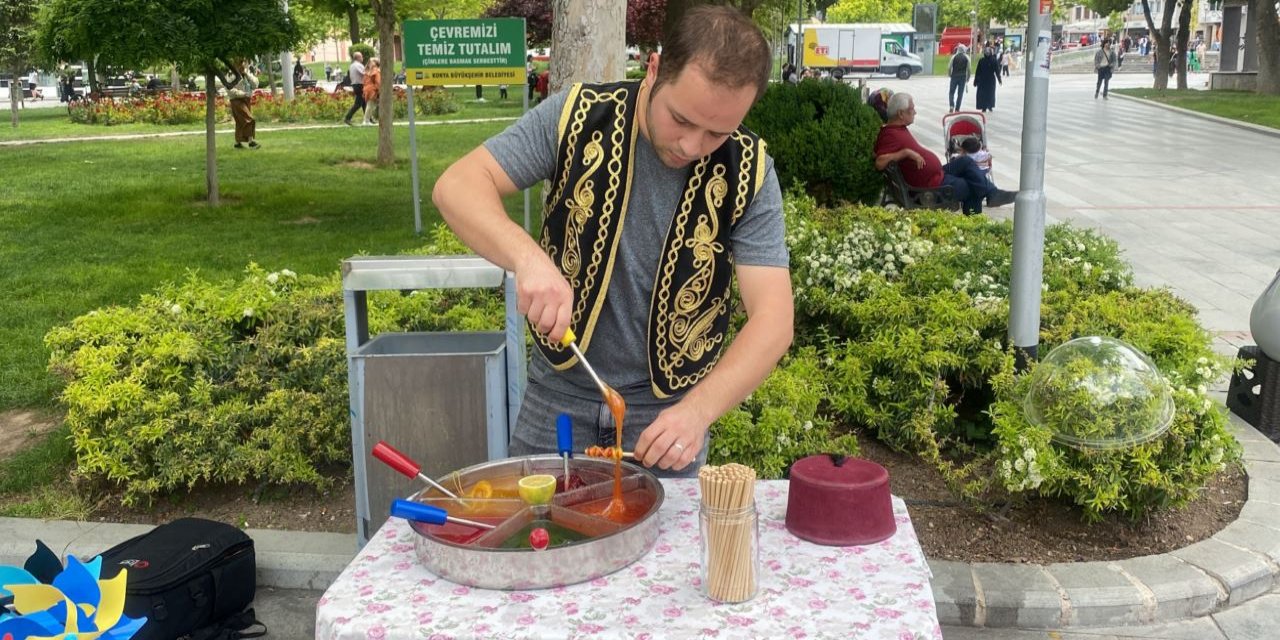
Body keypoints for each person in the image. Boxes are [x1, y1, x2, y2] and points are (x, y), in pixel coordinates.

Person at [431, 5, 793, 476]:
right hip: (557, 395)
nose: (690, 145)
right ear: (655, 69)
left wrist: (698, 412)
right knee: (536, 541)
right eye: (681, 119)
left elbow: (774, 320)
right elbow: (457, 185)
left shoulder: (750, 170)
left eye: (716, 131)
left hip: (670, 414)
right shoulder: (577, 117)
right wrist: (529, 259)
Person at [874, 92, 1016, 215]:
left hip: (936, 175)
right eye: (912, 109)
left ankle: (992, 193)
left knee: (966, 161)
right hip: (930, 187)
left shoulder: (897, 129)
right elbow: (880, 163)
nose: (915, 112)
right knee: (972, 187)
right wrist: (905, 152)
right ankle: (977, 221)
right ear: (901, 113)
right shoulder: (891, 134)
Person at [225, 60, 259, 149]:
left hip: (246, 99)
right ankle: (251, 142)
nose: (243, 65)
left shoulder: (247, 73)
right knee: (249, 119)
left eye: (244, 63)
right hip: (236, 100)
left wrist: (247, 75)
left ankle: (238, 143)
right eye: (240, 63)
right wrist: (242, 93)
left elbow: (255, 85)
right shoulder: (231, 75)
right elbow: (229, 89)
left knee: (240, 122)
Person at [973, 47, 1001, 112]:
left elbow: (978, 72)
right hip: (990, 80)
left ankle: (984, 106)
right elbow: (997, 71)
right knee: (990, 93)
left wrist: (976, 81)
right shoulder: (994, 60)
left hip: (983, 80)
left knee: (984, 94)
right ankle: (989, 106)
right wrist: (999, 80)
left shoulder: (982, 60)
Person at [343, 51, 366, 126]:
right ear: (358, 57)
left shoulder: (352, 65)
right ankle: (347, 118)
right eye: (361, 56)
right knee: (358, 103)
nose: (362, 58)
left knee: (364, 102)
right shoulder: (358, 65)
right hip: (359, 85)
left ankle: (368, 118)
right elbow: (364, 73)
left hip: (356, 85)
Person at [947, 45, 970, 112]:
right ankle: (957, 108)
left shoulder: (954, 57)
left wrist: (950, 74)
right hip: (962, 77)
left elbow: (949, 67)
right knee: (960, 93)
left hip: (954, 76)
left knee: (951, 92)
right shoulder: (967, 57)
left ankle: (951, 105)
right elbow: (969, 69)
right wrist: (968, 78)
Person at [362, 57, 380, 125]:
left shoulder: (367, 71)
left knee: (371, 105)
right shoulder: (376, 71)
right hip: (372, 89)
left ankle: (367, 120)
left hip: (366, 88)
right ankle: (366, 120)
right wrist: (379, 90)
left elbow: (364, 81)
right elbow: (378, 81)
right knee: (370, 105)